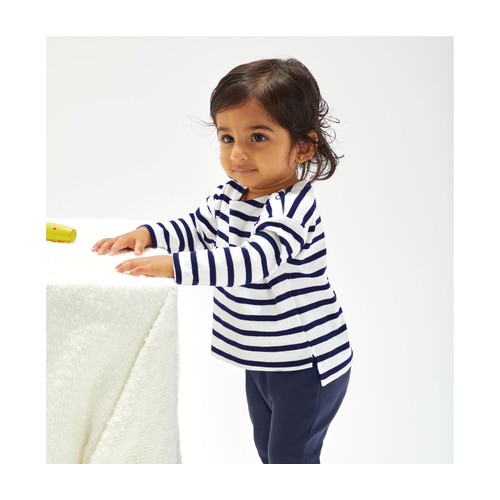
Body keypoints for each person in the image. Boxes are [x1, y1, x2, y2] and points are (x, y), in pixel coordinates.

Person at [92, 58, 353, 464]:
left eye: (258, 137)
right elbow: (196, 226)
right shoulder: (231, 195)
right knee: (269, 452)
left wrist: (174, 265)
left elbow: (253, 260)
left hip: (306, 361)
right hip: (263, 356)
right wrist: (149, 235)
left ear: (303, 146)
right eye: (227, 138)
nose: (238, 154)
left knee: (291, 460)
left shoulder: (292, 208)